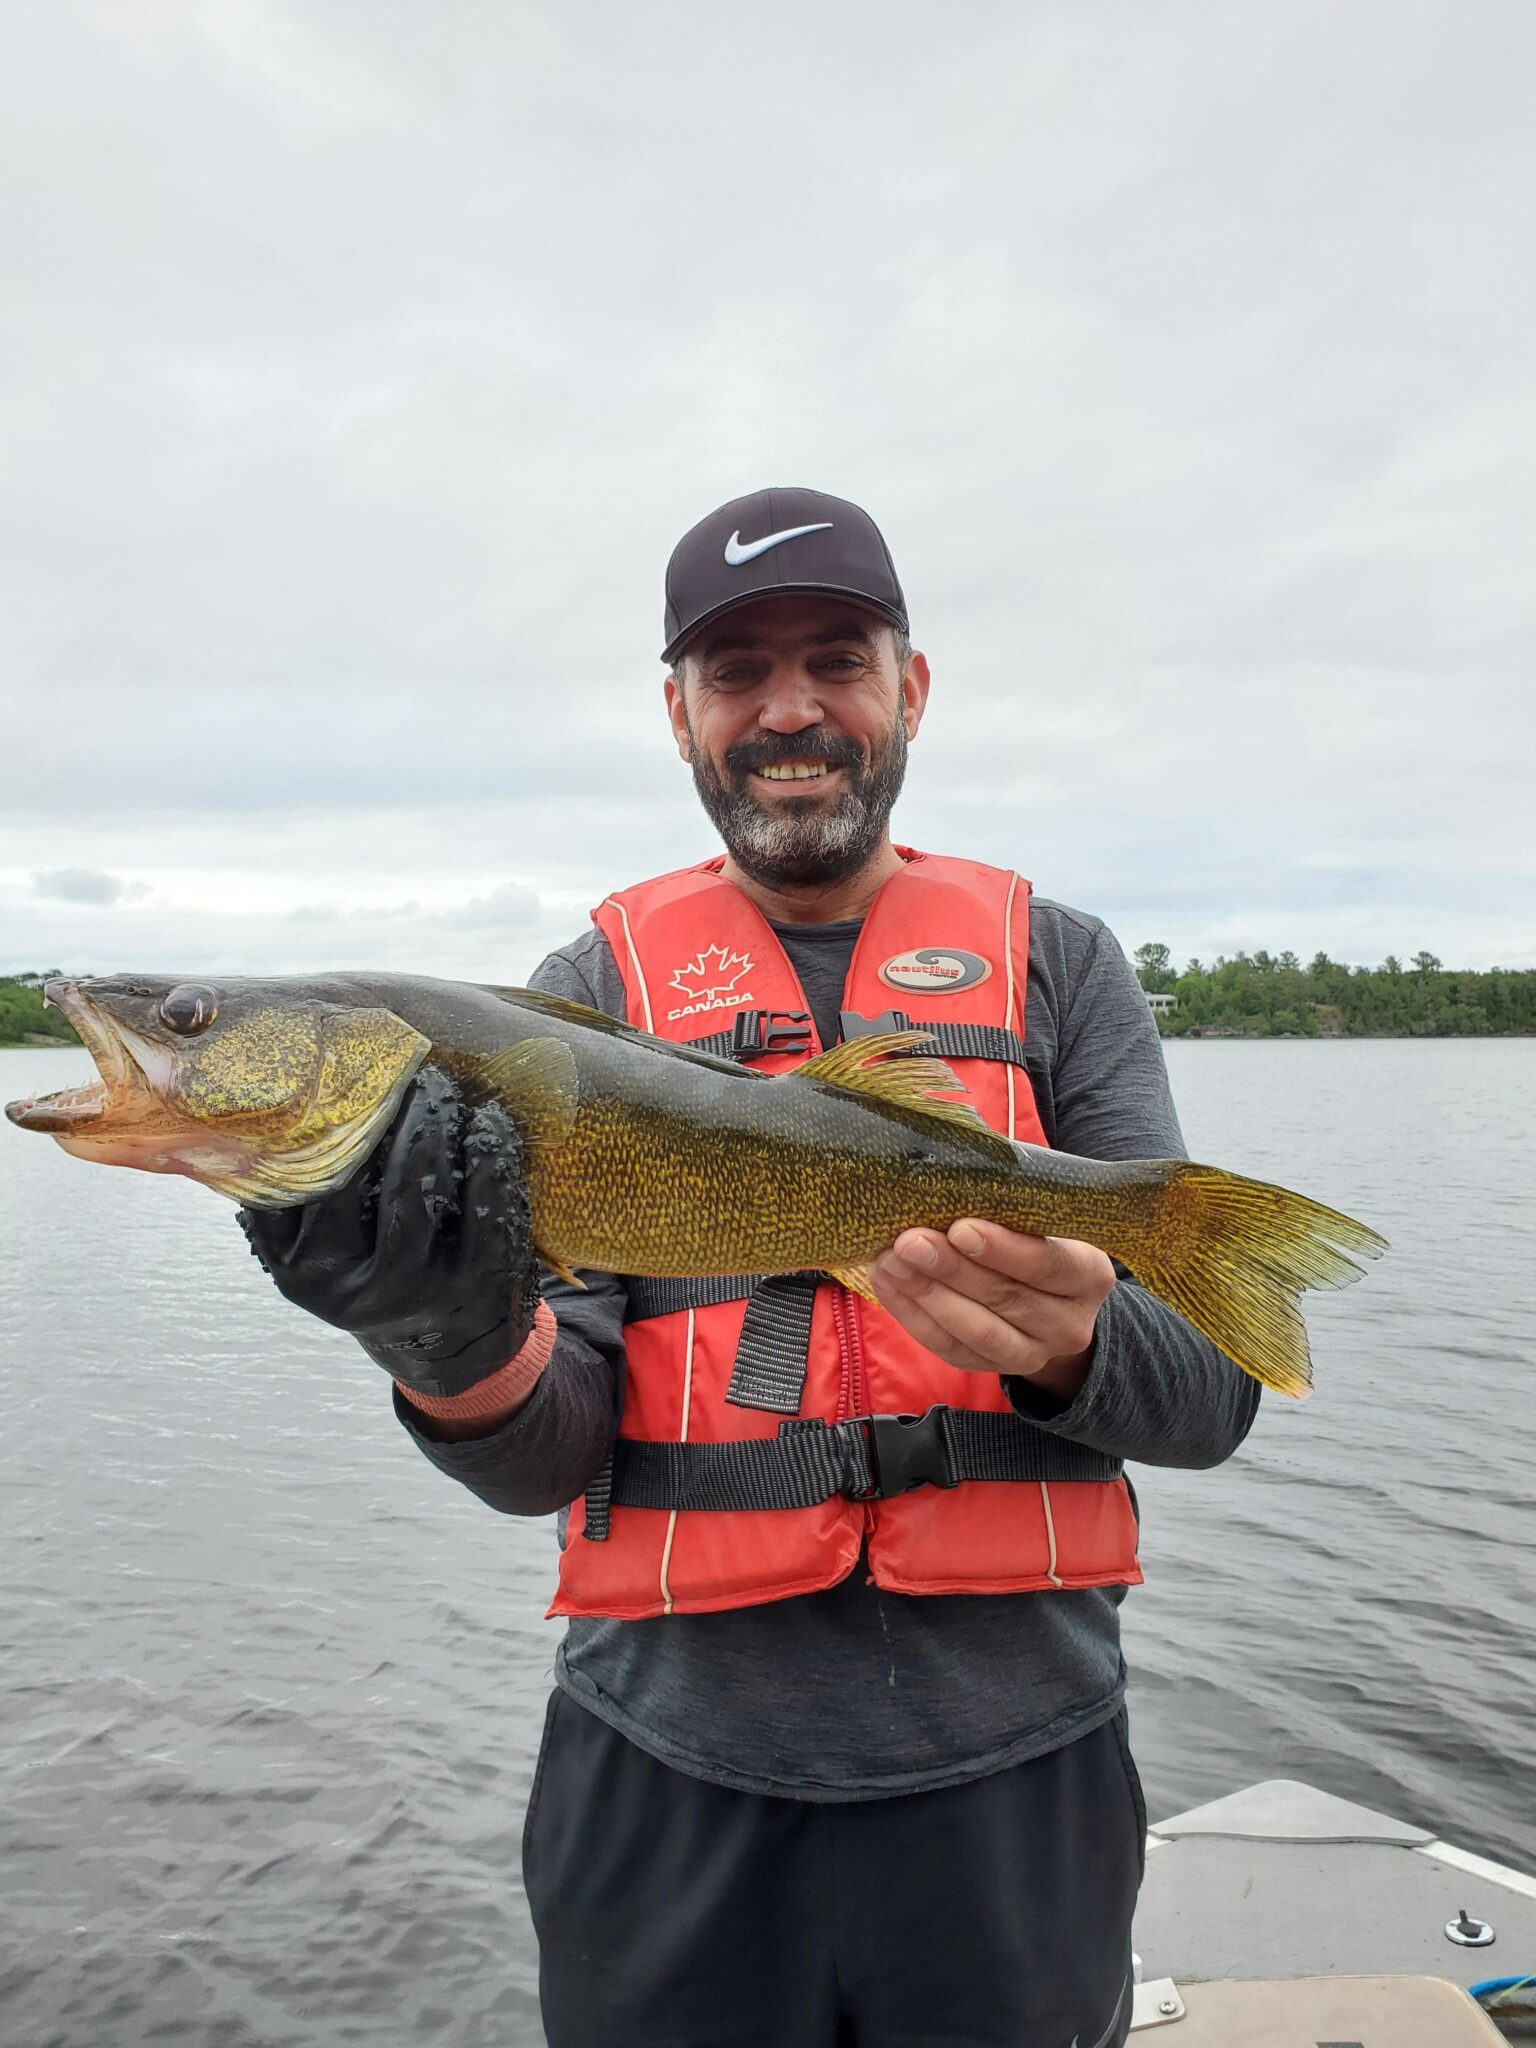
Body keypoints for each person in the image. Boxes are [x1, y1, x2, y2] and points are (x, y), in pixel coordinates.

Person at [242, 487, 1260, 2048]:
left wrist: (1075, 1343)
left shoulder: (1061, 966)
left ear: (910, 686)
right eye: (736, 674)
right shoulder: (578, 1001)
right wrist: (440, 1342)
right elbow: (550, 1454)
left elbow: (1210, 1406)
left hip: (1020, 1775)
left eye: (837, 659)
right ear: (680, 716)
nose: (791, 711)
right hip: (661, 1780)